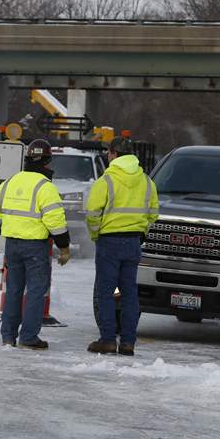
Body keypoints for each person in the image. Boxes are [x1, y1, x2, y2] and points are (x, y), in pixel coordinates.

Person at [0, 139, 71, 349]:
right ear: (47, 161)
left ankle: (8, 336)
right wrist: (64, 247)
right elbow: (55, 221)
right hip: (35, 246)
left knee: (14, 290)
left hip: (12, 244)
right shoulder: (45, 187)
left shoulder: (9, 182)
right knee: (37, 290)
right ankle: (28, 337)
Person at [85, 137, 159, 356]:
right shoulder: (146, 181)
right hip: (133, 242)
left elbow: (92, 214)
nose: (108, 156)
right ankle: (128, 342)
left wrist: (96, 235)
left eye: (109, 153)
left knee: (106, 293)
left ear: (114, 154)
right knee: (129, 293)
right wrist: (141, 231)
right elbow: (153, 213)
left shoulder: (106, 181)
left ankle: (108, 340)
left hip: (109, 242)